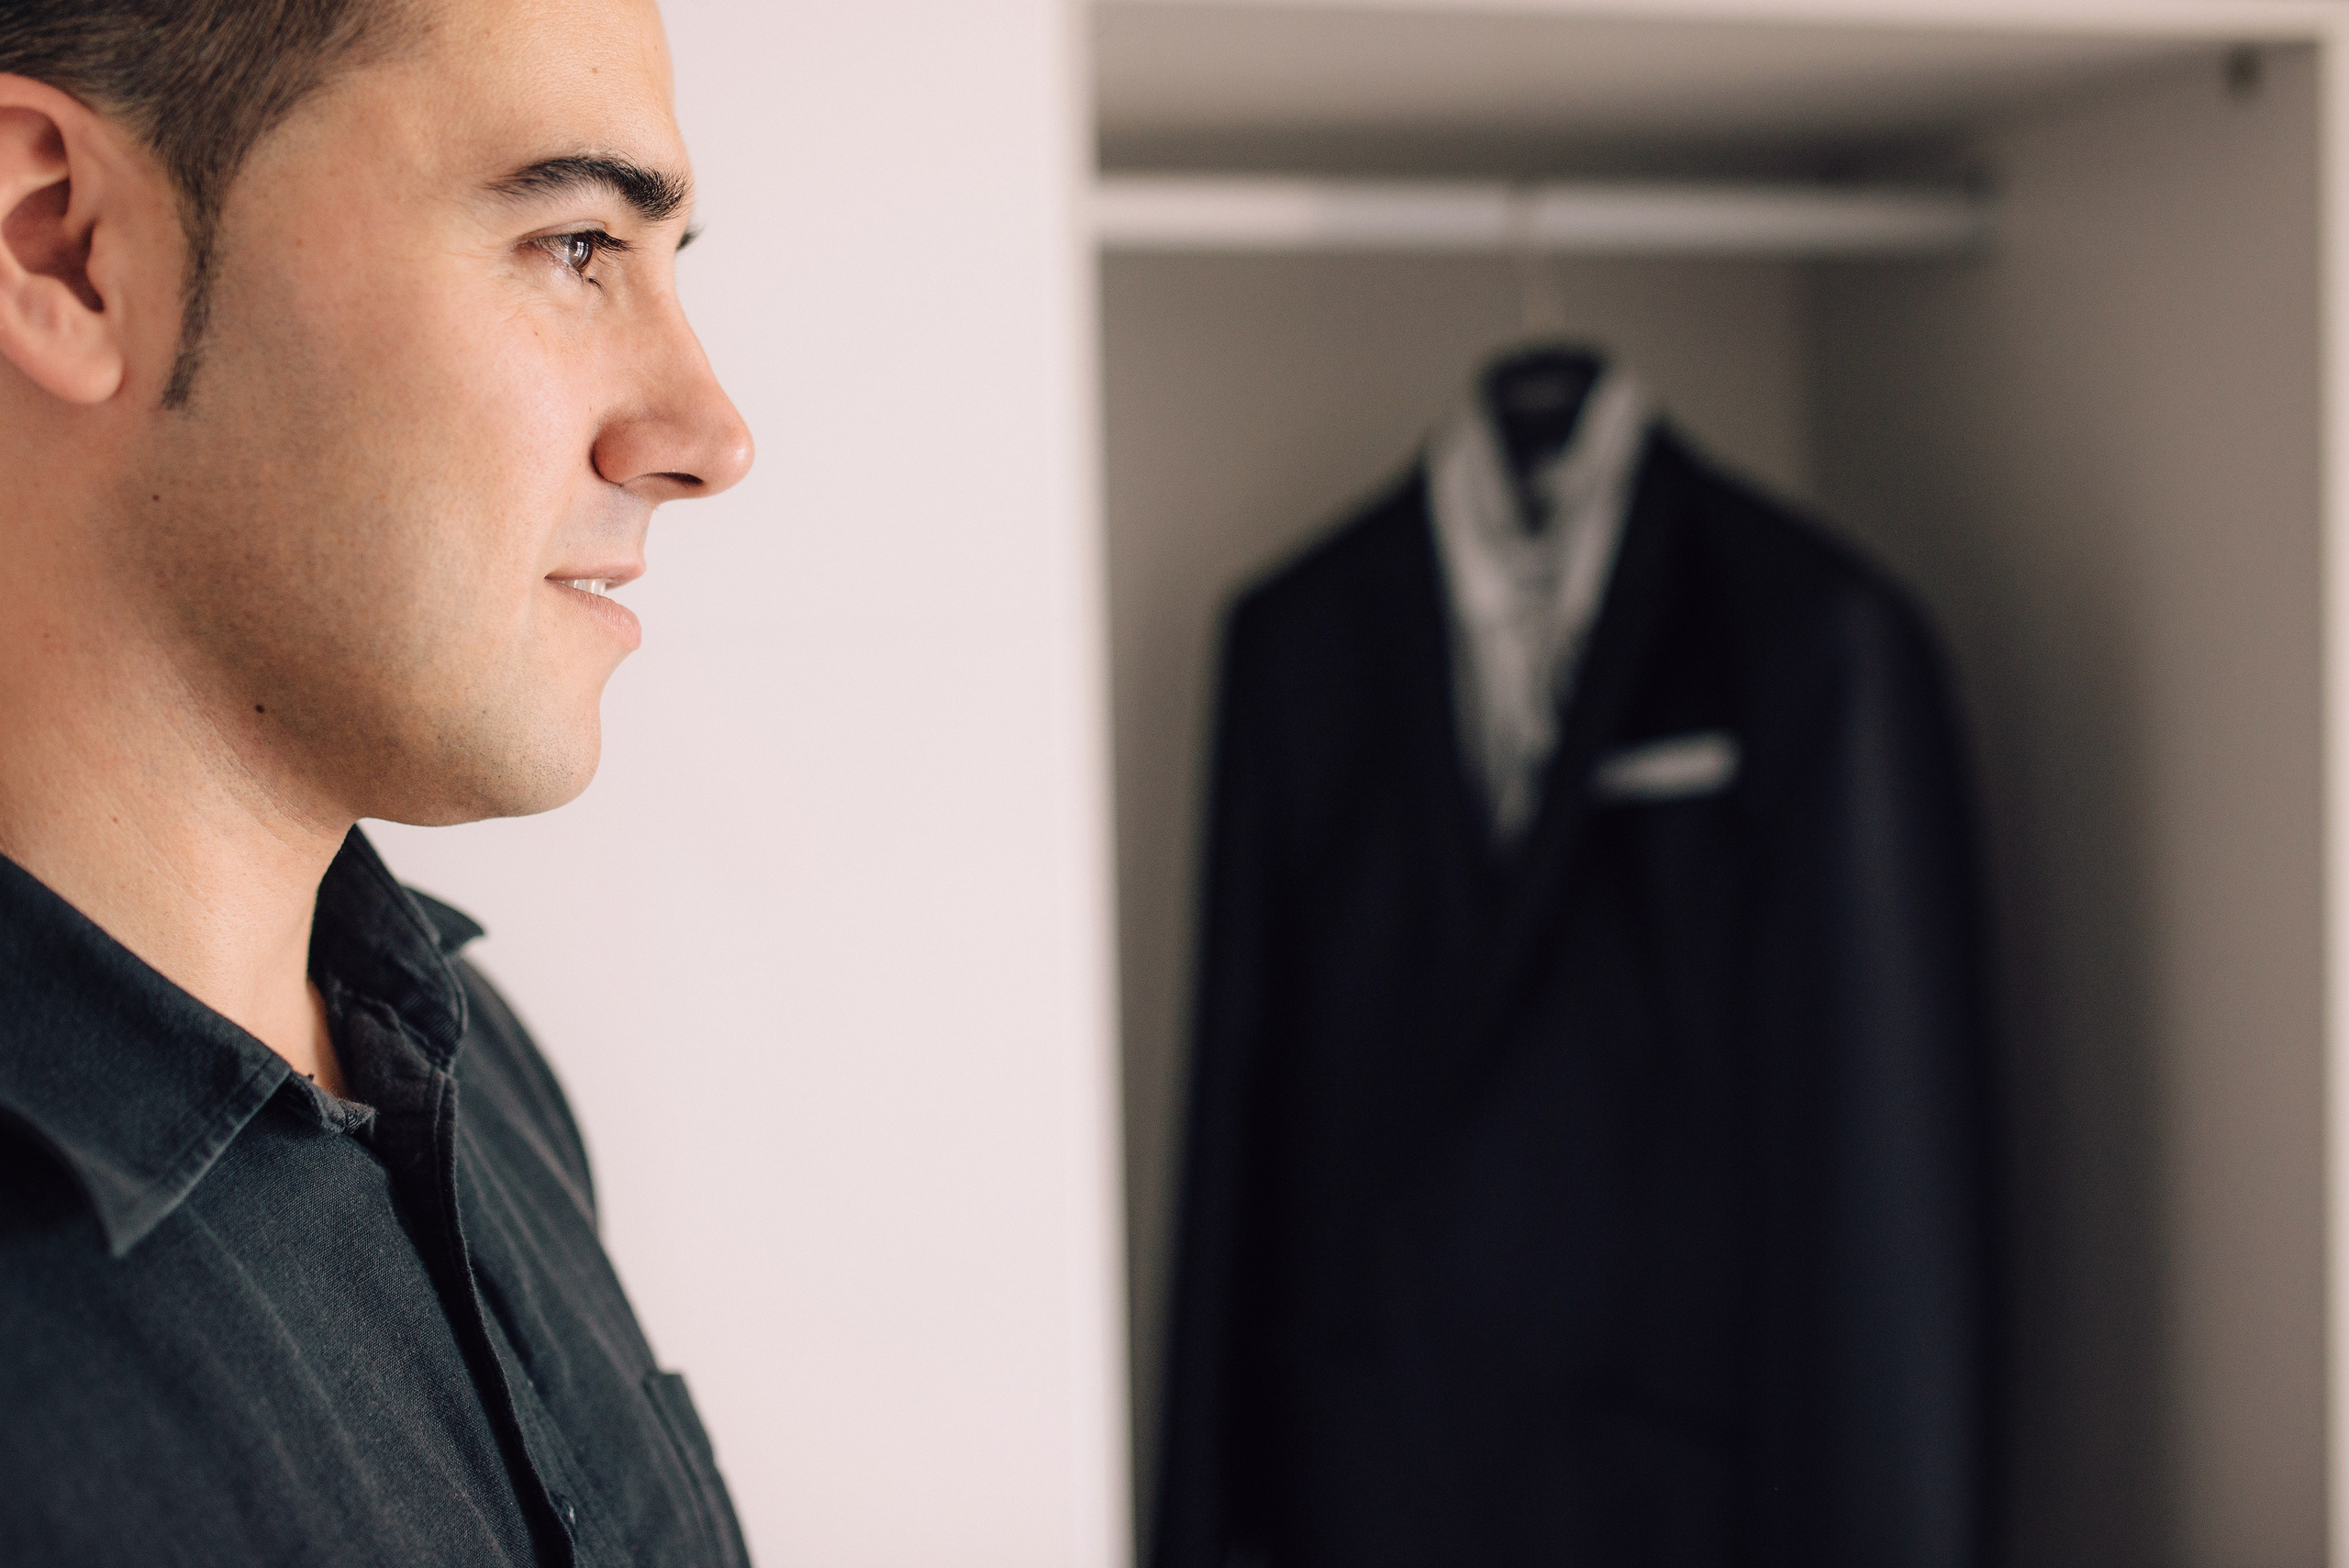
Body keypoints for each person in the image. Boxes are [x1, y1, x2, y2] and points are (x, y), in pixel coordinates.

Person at [0, 0, 755, 1562]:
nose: (708, 434)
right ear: (61, 244)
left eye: (669, 264)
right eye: (574, 242)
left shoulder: (481, 1076)